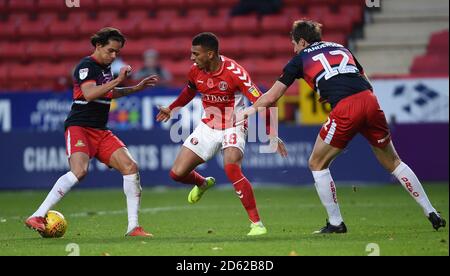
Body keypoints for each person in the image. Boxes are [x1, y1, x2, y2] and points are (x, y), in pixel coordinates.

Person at [237, 20, 446, 233]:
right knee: (393, 161)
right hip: (370, 100)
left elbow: (273, 96)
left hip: (347, 108)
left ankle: (336, 223)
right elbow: (363, 79)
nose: (293, 49)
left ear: (302, 41)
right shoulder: (340, 47)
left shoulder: (299, 59)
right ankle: (431, 211)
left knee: (316, 163)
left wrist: (247, 111)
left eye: (294, 44)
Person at [25, 27, 158, 237]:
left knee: (131, 167)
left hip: (100, 130)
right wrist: (118, 80)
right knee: (80, 171)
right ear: (98, 46)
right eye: (111, 51)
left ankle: (133, 227)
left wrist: (136, 88)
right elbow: (88, 94)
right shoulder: (86, 66)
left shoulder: (105, 68)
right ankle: (38, 215)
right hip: (80, 127)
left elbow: (108, 93)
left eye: (117, 53)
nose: (114, 56)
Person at [156, 32, 287, 236]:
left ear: (210, 54)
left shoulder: (235, 73)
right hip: (208, 126)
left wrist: (271, 132)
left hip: (234, 124)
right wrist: (172, 108)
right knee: (177, 173)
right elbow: (190, 91)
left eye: (195, 54)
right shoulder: (195, 71)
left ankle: (257, 224)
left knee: (231, 168)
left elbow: (262, 101)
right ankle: (202, 182)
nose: (191, 58)